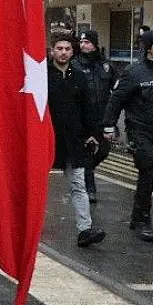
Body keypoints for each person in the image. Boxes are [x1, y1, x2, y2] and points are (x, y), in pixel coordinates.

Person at [104, 29, 153, 243]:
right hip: (140, 130)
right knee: (148, 169)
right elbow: (116, 100)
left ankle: (136, 215)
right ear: (149, 48)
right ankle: (143, 219)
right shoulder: (134, 72)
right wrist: (109, 126)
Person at [47, 34, 107, 247]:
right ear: (52, 50)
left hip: (73, 141)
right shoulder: (42, 75)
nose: (63, 52)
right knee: (35, 184)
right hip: (47, 139)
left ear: (72, 52)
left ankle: (85, 229)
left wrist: (94, 132)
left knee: (78, 185)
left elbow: (88, 108)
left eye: (67, 49)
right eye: (59, 48)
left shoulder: (79, 77)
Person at [72, 29, 114, 203]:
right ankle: (90, 188)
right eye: (81, 42)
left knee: (104, 151)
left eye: (87, 42)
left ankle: (84, 170)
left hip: (102, 117)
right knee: (88, 152)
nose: (83, 45)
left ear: (95, 44)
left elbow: (116, 90)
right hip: (83, 118)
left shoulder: (105, 66)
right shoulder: (75, 65)